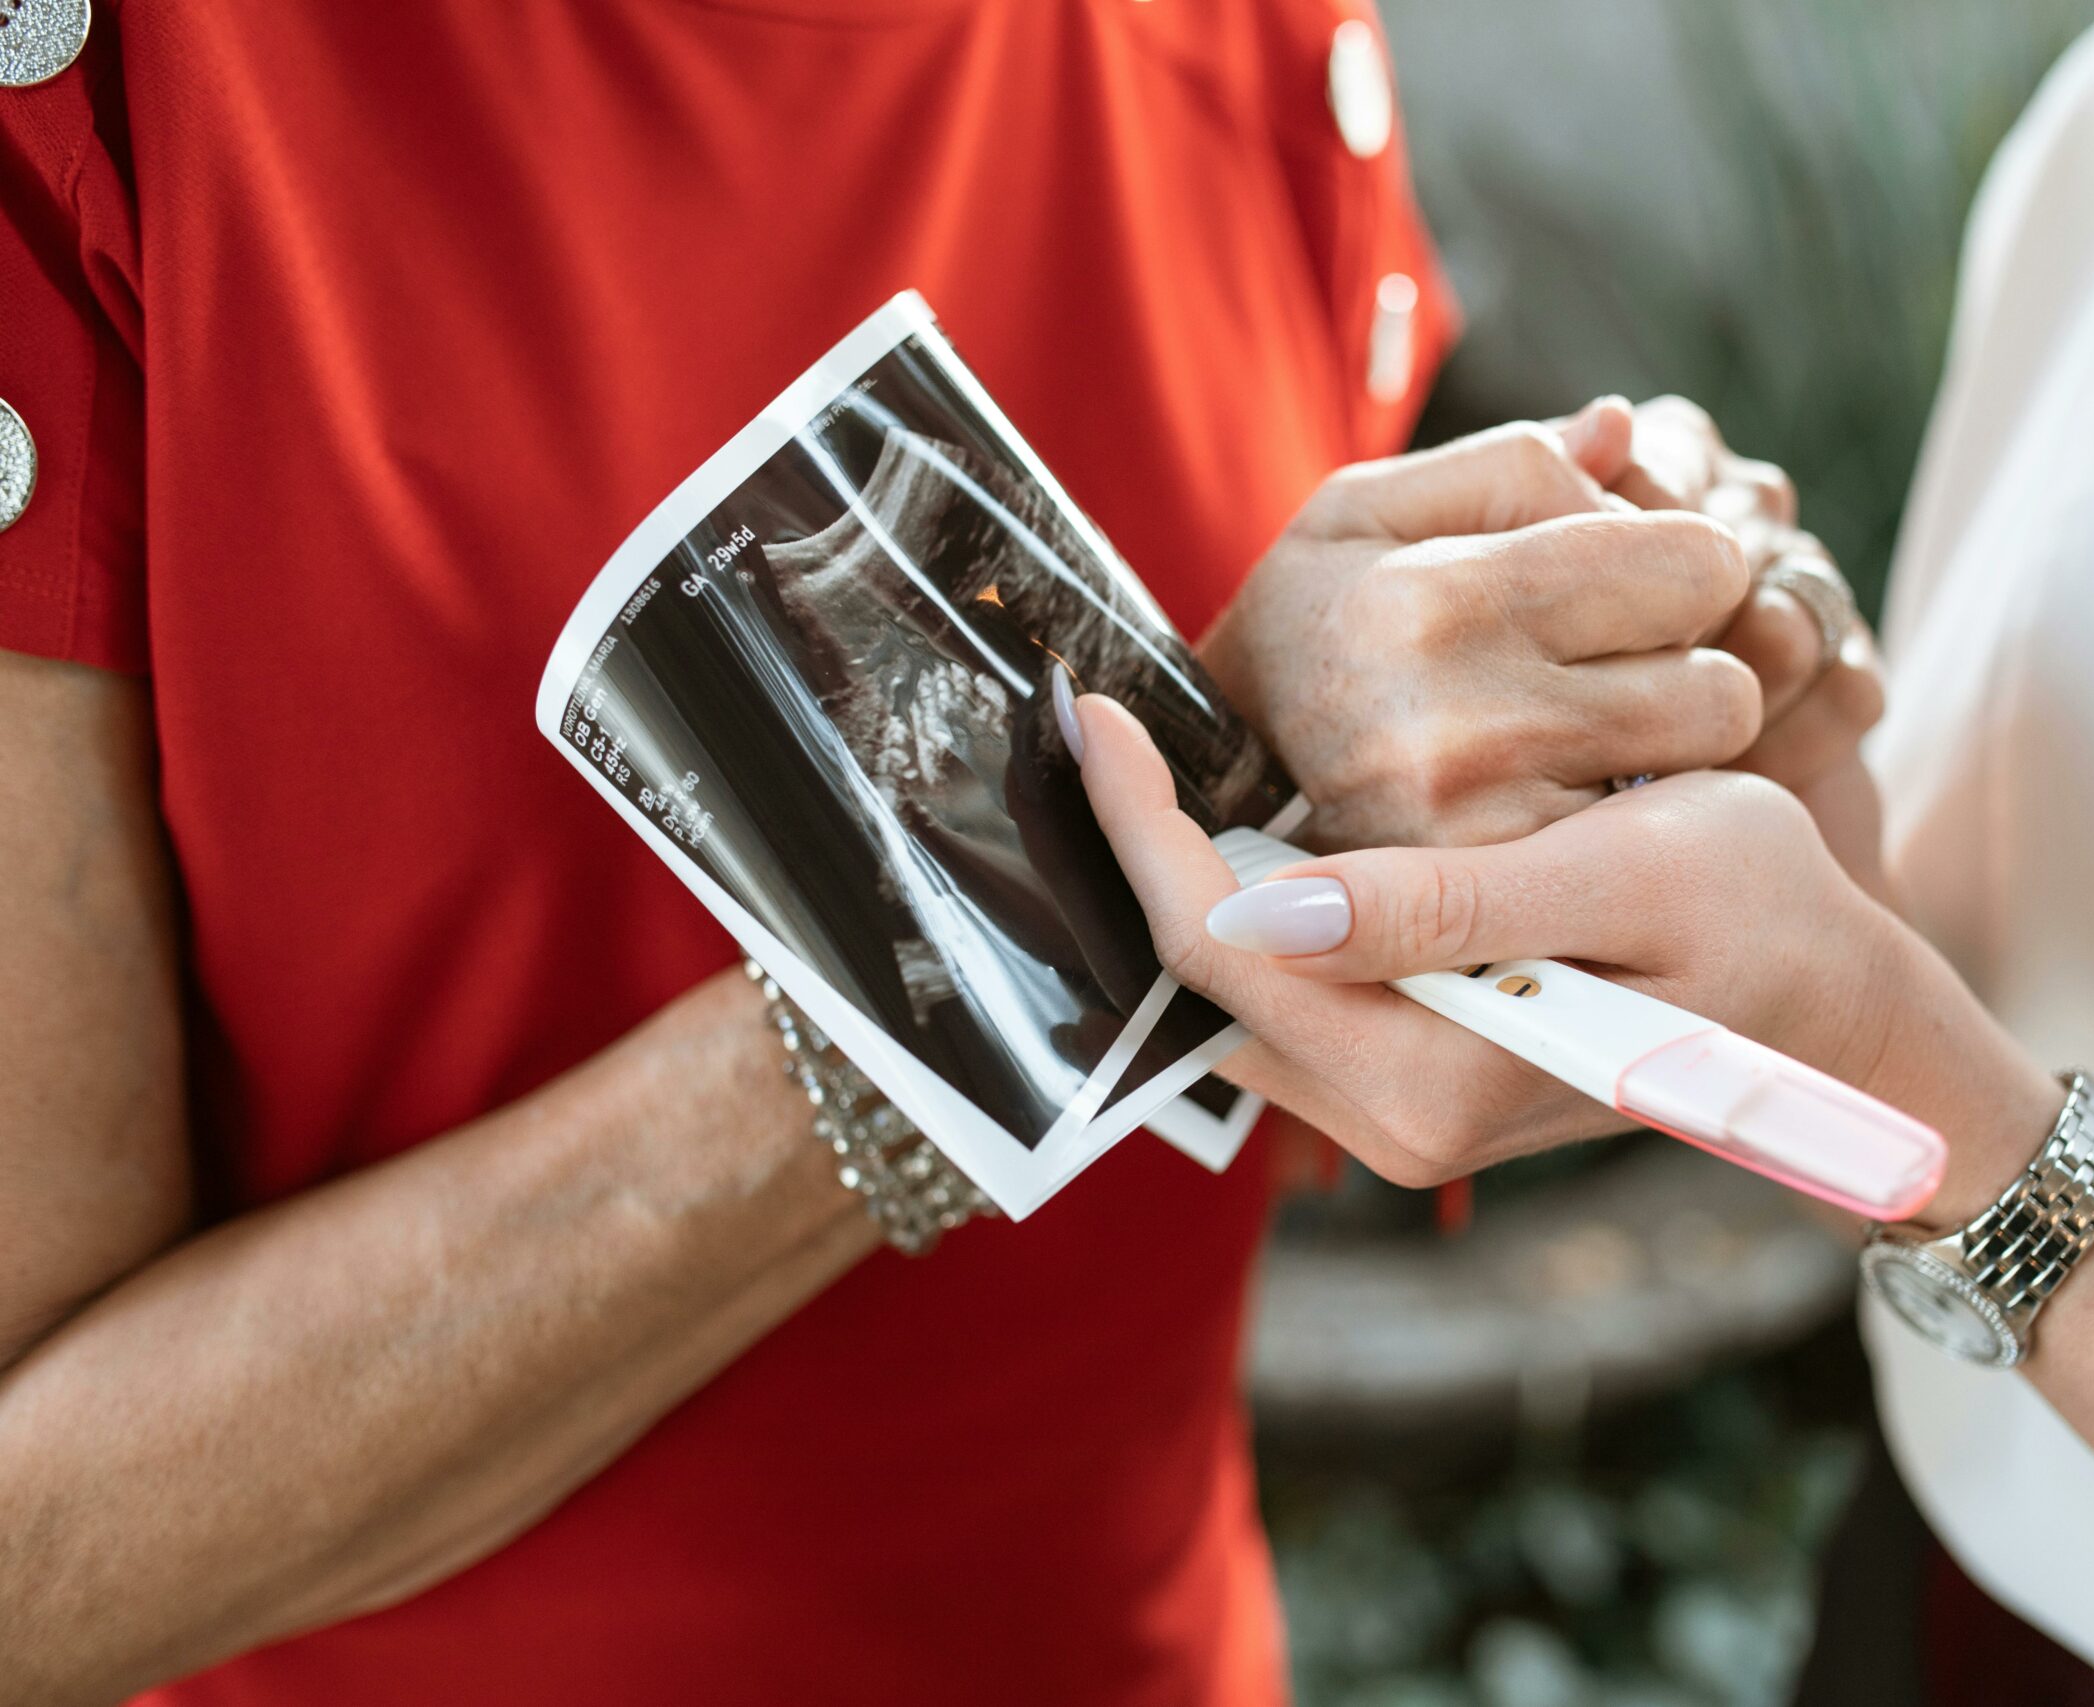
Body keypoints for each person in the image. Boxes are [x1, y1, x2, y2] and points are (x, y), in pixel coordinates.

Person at [0, 3, 1882, 1702]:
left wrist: (1607, 709)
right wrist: (1014, 948)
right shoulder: (106, 91)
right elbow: (35, 1553)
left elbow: (1274, 1126)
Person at [1070, 0, 2094, 1701]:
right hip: (1920, 1607)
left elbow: (1948, 1088)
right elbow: (2016, 983)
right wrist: (1774, 787)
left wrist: (1923, 1103)